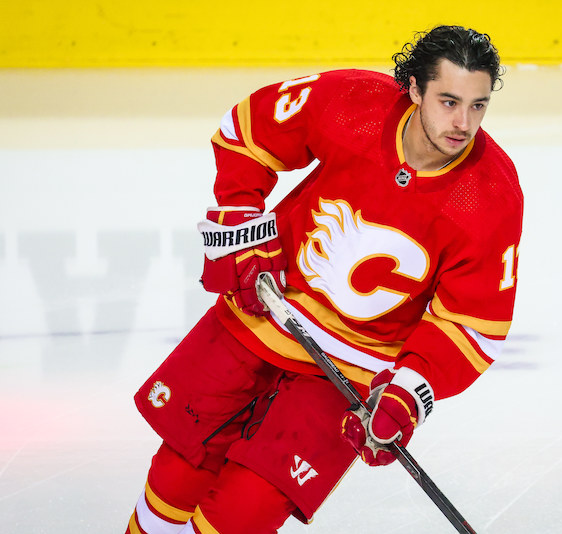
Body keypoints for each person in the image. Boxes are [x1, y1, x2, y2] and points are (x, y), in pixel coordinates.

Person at [126, 24, 523, 534]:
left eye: (478, 106)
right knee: (172, 484)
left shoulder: (490, 194)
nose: (462, 123)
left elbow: (472, 323)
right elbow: (247, 130)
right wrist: (243, 227)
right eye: (448, 101)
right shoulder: (352, 101)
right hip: (264, 313)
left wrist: (407, 393)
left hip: (350, 370)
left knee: (240, 518)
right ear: (415, 89)